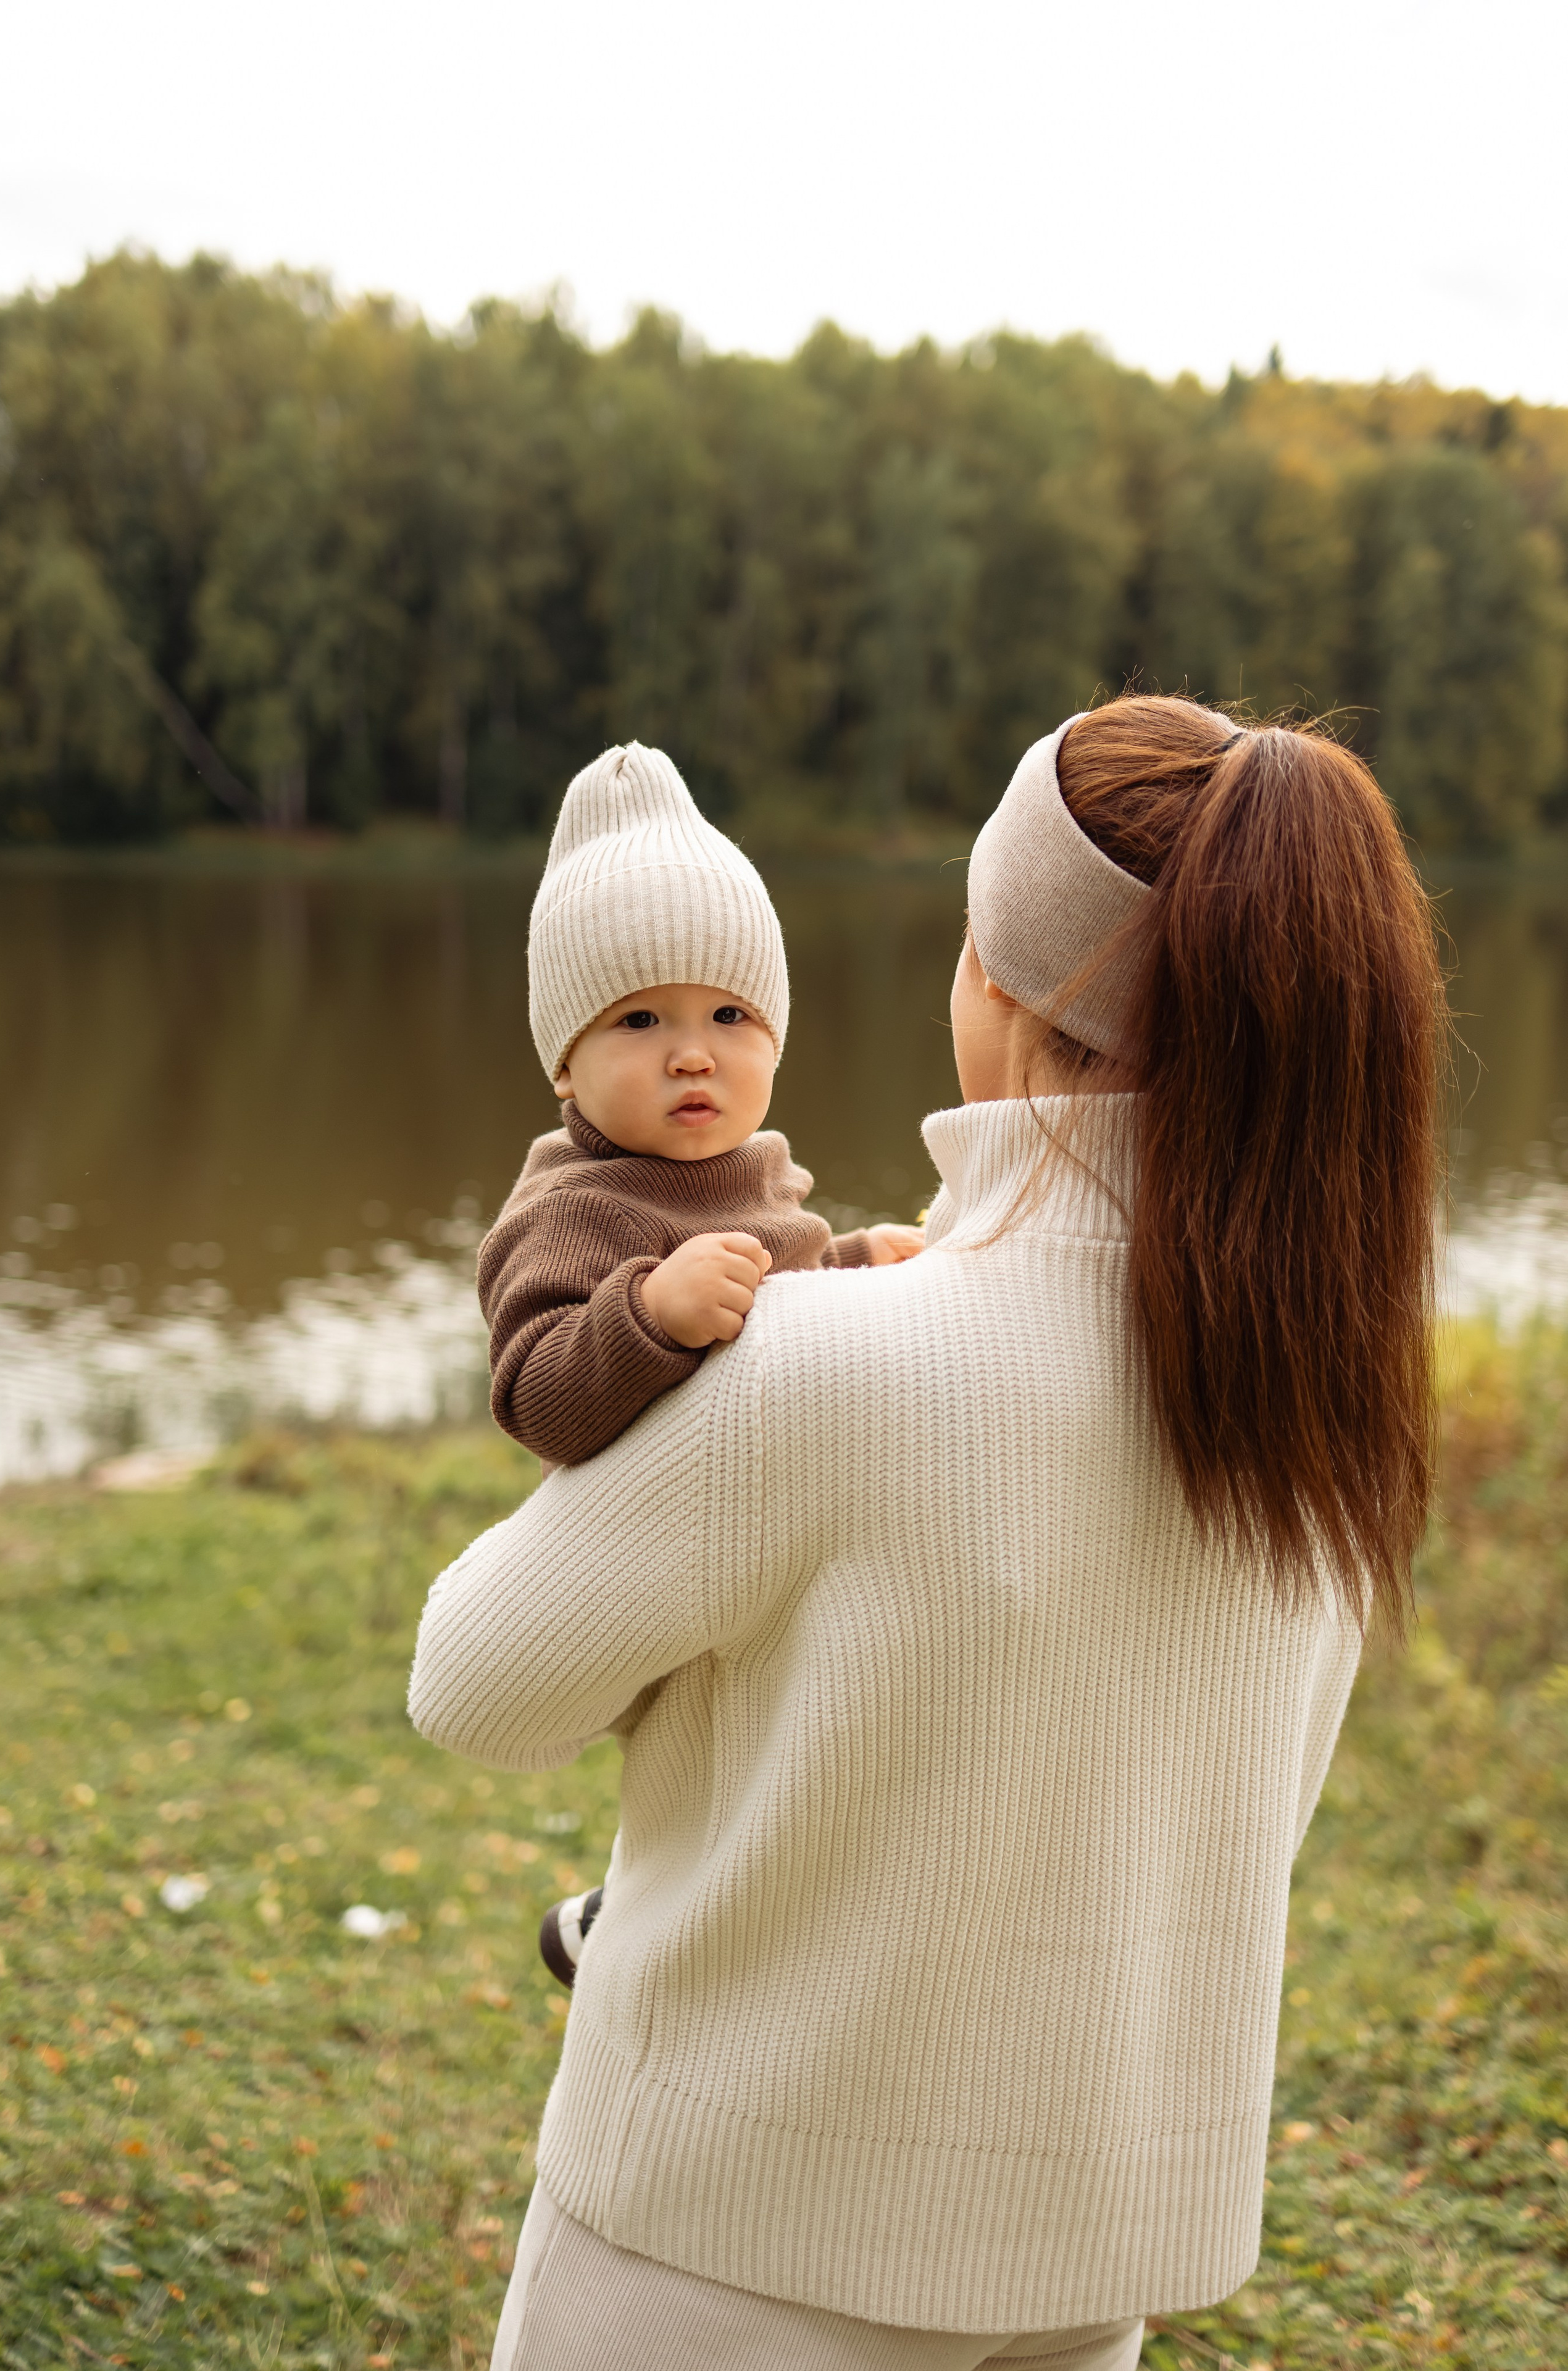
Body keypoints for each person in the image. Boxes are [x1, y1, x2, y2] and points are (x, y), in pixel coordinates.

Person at [409, 696, 1443, 2371]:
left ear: (1005, 993)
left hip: (723, 2245)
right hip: (1091, 2261)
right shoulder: (1322, 1407)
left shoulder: (811, 1367)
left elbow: (476, 1684)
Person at [479, 740, 922, 1979]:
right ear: (564, 1059)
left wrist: (851, 1261)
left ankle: (672, 1909)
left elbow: (776, 1300)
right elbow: (535, 1398)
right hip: (646, 1565)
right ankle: (624, 1915)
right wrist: (647, 1314)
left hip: (768, 1538)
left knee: (808, 1737)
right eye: (641, 1020)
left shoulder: (754, 1173)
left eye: (729, 1015)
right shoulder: (575, 1206)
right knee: (720, 1760)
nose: (693, 1052)